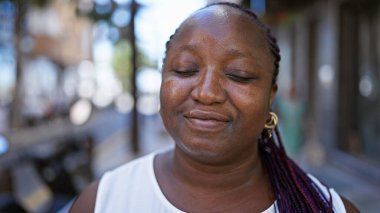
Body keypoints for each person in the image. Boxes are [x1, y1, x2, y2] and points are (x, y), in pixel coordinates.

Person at [69, 2, 359, 212]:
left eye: (238, 75)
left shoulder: (324, 207)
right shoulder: (102, 202)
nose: (207, 93)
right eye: (185, 70)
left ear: (271, 97)